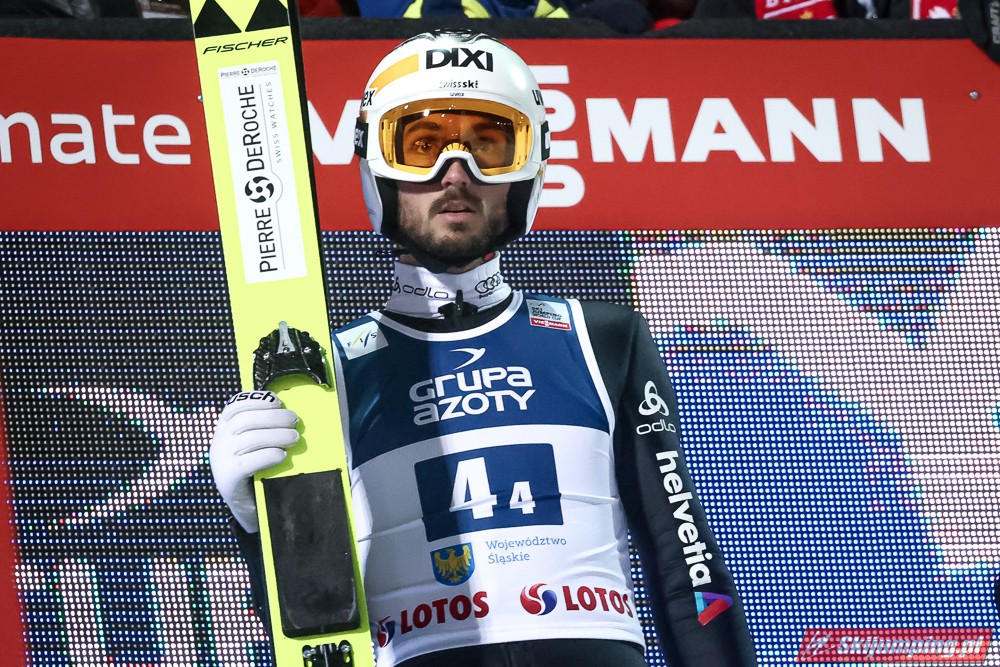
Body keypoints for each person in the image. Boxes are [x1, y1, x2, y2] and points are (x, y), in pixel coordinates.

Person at [210, 29, 758, 667]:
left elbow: (686, 563)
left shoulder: (602, 337)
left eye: (489, 146)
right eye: (421, 145)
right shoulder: (323, 372)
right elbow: (311, 621)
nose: (455, 173)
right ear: (376, 166)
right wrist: (256, 524)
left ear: (529, 169)